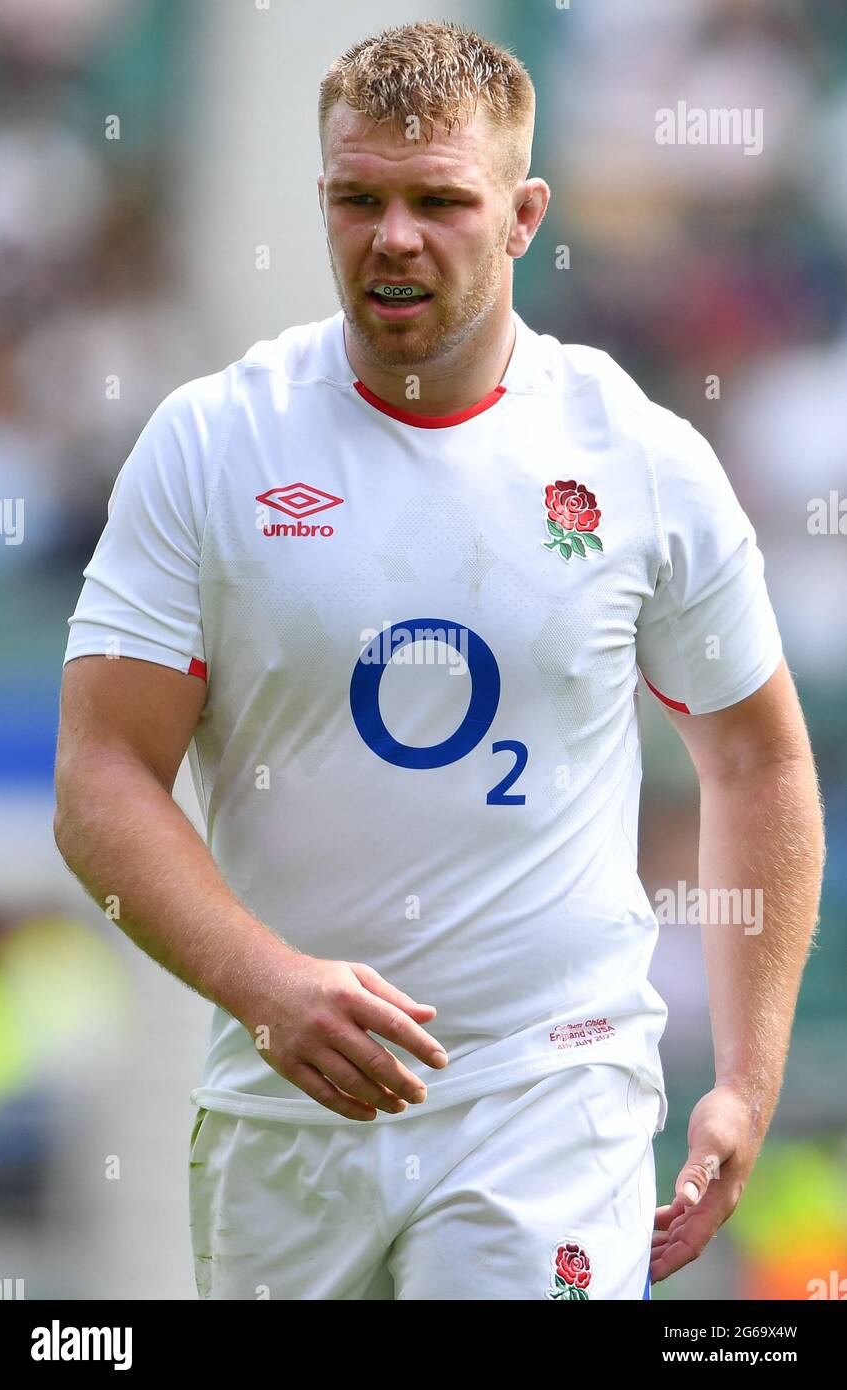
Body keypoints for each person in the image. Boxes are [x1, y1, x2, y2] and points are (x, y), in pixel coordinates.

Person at [54, 21, 824, 1301]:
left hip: (547, 1087)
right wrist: (267, 984)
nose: (393, 236)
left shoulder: (634, 457)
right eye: (359, 199)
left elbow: (755, 755)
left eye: (438, 201)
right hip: (283, 1114)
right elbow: (101, 774)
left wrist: (744, 1076)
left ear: (522, 215)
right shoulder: (211, 443)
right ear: (320, 202)